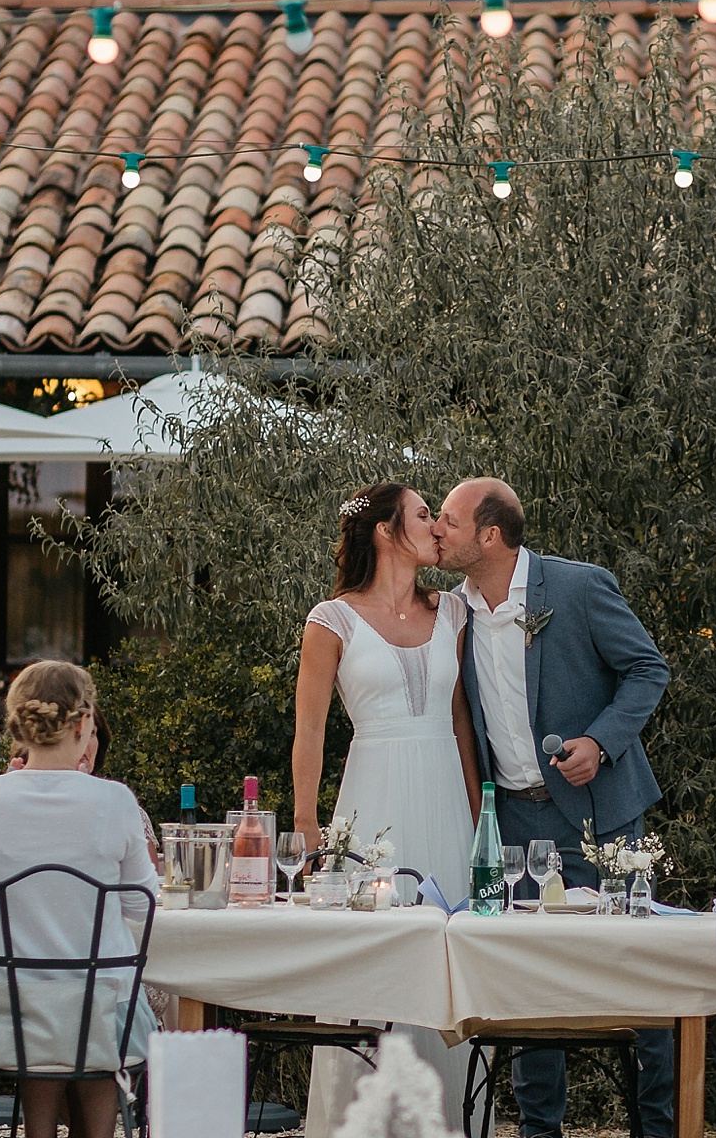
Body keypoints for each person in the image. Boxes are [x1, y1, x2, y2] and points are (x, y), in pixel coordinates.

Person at [436, 477, 675, 1138]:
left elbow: (647, 669)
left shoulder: (576, 586)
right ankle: (540, 1130)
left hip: (604, 813)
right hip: (512, 818)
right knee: (526, 981)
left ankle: (658, 1127)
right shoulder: (451, 613)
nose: (438, 531)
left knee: (640, 970)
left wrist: (600, 741)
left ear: (490, 534)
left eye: (449, 519)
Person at [294, 483, 482, 1130]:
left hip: (445, 803)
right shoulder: (331, 620)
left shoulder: (453, 613)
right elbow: (310, 732)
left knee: (447, 959)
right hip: (370, 801)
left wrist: (478, 815)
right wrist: (307, 828)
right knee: (368, 960)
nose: (436, 526)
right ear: (384, 531)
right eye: (425, 514)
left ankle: (442, 1121)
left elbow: (460, 722)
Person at [0, 661, 158, 1138]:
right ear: (81, 724)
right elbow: (141, 904)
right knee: (93, 1001)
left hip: (10, 1013)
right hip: (103, 1014)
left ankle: (39, 1130)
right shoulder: (115, 800)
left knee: (36, 1003)